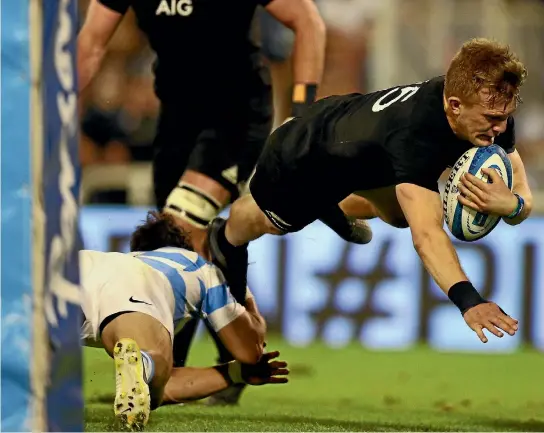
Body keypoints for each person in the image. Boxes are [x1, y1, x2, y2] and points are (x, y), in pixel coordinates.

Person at [76, 0, 370, 404]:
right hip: (176, 121)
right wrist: (54, 115)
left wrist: (299, 115)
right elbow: (90, 43)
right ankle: (168, 369)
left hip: (236, 117)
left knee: (180, 221)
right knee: (168, 249)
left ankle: (176, 366)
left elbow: (308, 21)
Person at [208, 38, 532, 344]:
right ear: (455, 105)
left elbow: (522, 198)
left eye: (505, 118)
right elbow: (428, 238)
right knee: (270, 223)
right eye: (493, 118)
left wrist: (512, 205)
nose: (501, 128)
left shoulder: (489, 113)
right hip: (302, 154)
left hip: (361, 151)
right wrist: (470, 302)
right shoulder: (415, 135)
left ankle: (334, 208)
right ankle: (226, 235)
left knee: (399, 215)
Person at [80, 211, 288, 430]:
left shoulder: (129, 258)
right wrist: (243, 291)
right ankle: (145, 363)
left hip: (85, 264)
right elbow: (249, 350)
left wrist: (236, 373)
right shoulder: (200, 266)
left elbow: (171, 383)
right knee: (151, 376)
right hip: (136, 289)